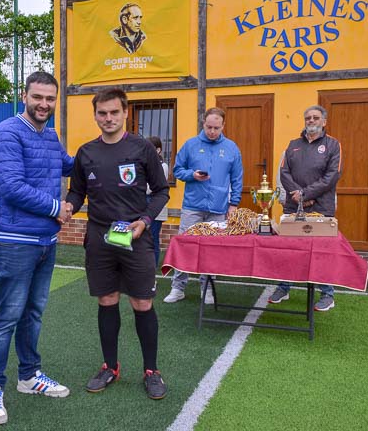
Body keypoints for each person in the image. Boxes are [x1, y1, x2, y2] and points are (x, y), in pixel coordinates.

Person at [0, 71, 74, 426]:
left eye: (50, 98)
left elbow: (68, 166)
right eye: (38, 97)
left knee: (33, 313)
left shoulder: (49, 134)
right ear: (24, 95)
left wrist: (106, 152)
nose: (44, 104)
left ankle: (29, 376)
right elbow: (12, 186)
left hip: (45, 240)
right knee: (8, 315)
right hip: (16, 240)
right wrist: (57, 209)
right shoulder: (7, 132)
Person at [66, 88, 170, 400]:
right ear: (95, 115)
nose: (108, 118)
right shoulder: (85, 152)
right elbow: (77, 192)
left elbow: (162, 190)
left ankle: (151, 370)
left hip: (135, 238)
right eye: (102, 113)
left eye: (114, 112)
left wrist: (146, 221)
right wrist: (68, 207)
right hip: (99, 238)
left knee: (142, 303)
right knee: (107, 300)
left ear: (125, 113)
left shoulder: (141, 148)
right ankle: (110, 366)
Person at [163, 107, 243, 305]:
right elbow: (177, 169)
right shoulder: (190, 145)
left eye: (216, 127)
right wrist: (192, 175)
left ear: (223, 126)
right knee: (185, 246)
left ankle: (207, 289)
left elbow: (237, 177)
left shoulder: (232, 148)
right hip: (193, 206)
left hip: (218, 208)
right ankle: (178, 288)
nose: (212, 131)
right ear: (203, 124)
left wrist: (234, 204)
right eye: (209, 127)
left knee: (212, 251)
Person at [269, 105, 342, 312]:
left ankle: (327, 294)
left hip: (321, 208)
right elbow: (284, 173)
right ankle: (284, 288)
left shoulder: (333, 145)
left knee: (320, 252)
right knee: (288, 250)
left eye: (315, 118)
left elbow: (332, 176)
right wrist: (298, 195)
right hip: (294, 207)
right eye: (308, 117)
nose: (311, 121)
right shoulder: (293, 145)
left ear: (324, 122)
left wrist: (306, 194)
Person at [147, 136, 169, 266]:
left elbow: (150, 188)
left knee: (153, 238)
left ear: (158, 150)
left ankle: (153, 266)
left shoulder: (163, 166)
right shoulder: (145, 164)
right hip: (146, 204)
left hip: (156, 206)